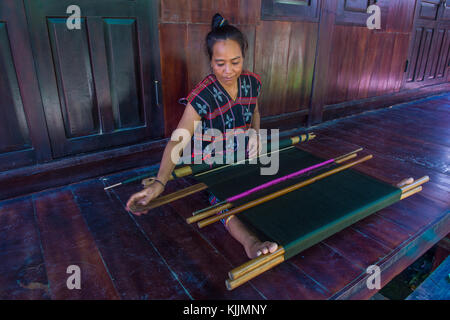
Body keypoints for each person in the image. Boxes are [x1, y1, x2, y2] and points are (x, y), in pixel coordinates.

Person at [126, 13, 278, 259]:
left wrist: (255, 133)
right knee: (220, 198)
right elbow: (179, 139)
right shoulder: (202, 96)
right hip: (210, 160)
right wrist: (159, 183)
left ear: (244, 57)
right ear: (210, 61)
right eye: (220, 63)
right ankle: (250, 242)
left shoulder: (251, 83)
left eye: (235, 62)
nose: (228, 70)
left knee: (271, 179)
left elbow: (255, 111)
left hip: (239, 154)